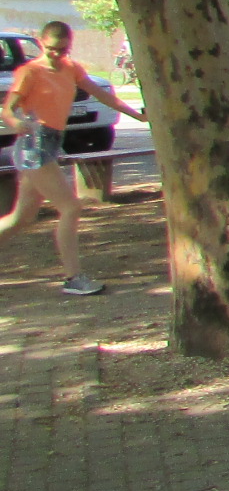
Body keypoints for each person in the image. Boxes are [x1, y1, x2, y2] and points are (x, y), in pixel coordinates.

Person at [0, 22, 148, 296]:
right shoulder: (30, 71)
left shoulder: (72, 68)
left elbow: (102, 95)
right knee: (70, 207)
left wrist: (138, 116)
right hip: (33, 145)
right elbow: (8, 109)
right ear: (41, 43)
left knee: (21, 217)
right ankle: (73, 278)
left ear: (69, 45)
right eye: (51, 48)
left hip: (51, 143)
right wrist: (16, 122)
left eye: (62, 49)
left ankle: (73, 278)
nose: (56, 54)